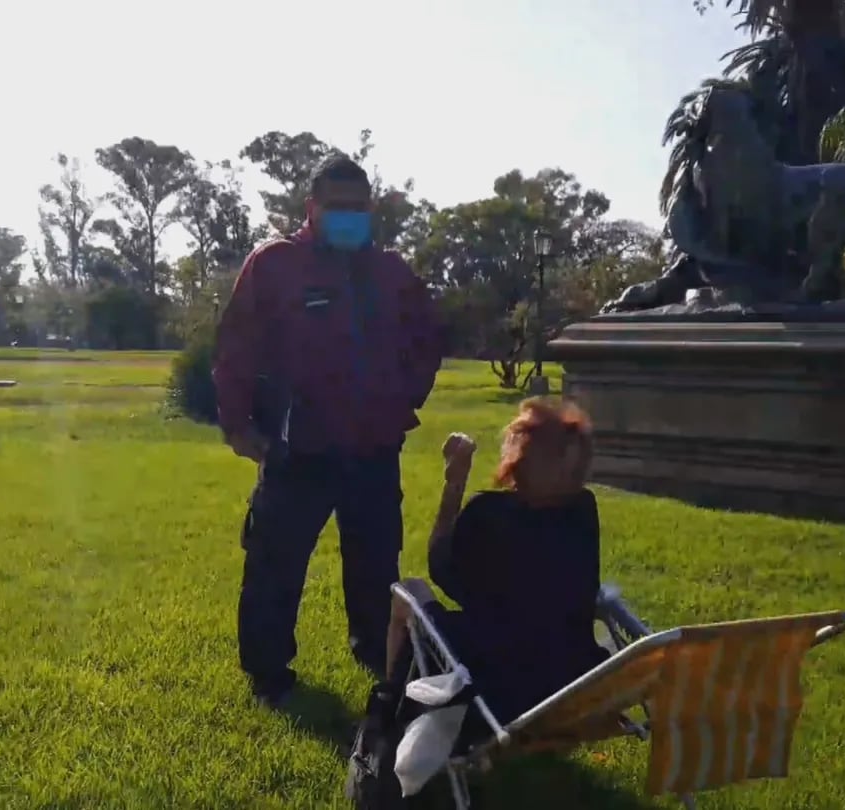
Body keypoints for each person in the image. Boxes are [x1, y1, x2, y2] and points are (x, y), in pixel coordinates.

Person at [213, 154, 443, 707]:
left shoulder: (391, 272)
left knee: (375, 562)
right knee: (276, 563)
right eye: (336, 207)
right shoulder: (274, 265)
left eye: (358, 208)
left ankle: (375, 652)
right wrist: (239, 427)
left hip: (373, 448)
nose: (348, 217)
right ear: (311, 208)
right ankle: (269, 673)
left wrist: (401, 401)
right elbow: (235, 350)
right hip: (299, 449)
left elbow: (427, 343)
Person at [384, 398, 609, 725]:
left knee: (408, 593)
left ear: (521, 457)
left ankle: (389, 713)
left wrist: (455, 482)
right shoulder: (583, 511)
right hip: (567, 681)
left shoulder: (488, 513)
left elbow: (440, 567)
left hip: (493, 685)